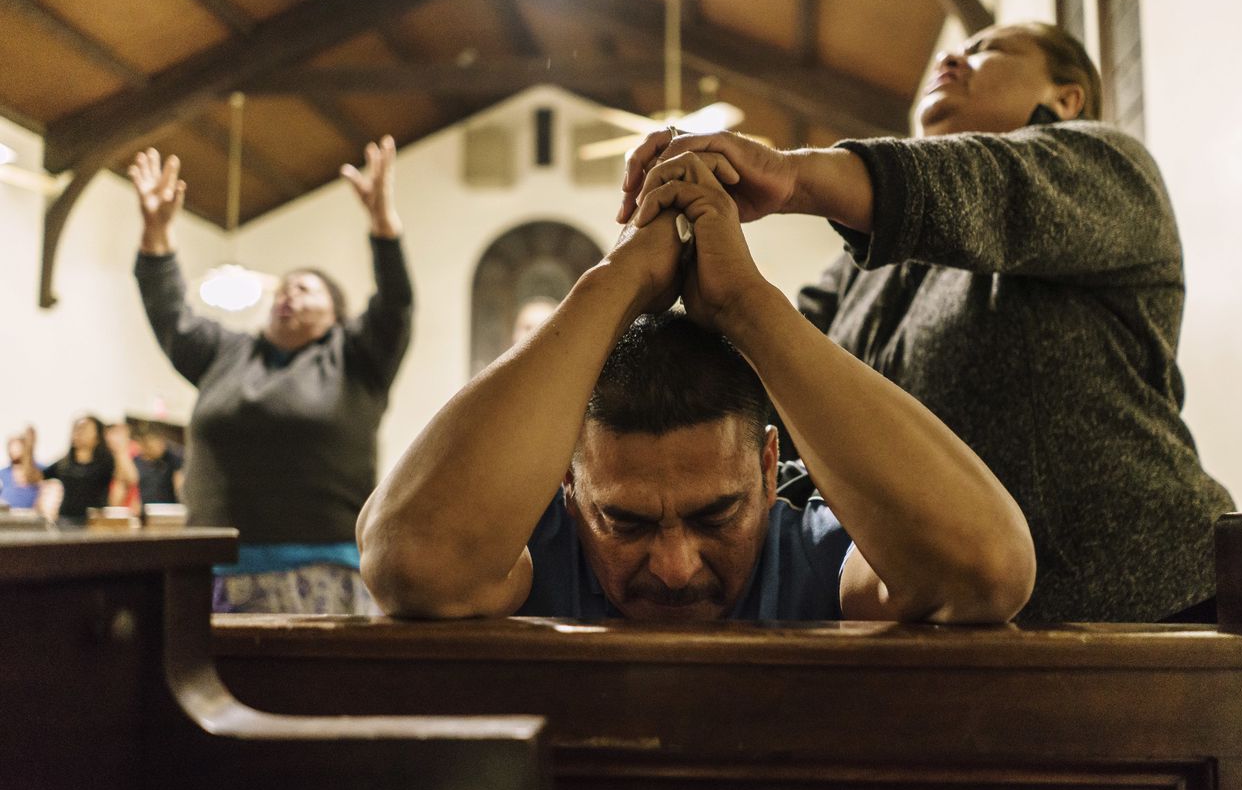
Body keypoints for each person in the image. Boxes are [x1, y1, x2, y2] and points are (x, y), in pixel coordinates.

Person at [617, 21, 1234, 623]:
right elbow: (775, 388)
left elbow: (990, 186)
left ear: (1065, 97)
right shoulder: (860, 273)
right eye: (953, 49)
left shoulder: (1109, 168)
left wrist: (791, 175)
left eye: (986, 49)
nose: (951, 59)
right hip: (947, 622)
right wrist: (669, 255)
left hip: (1153, 614)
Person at [357, 151, 1035, 623]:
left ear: (772, 468)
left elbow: (988, 573)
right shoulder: (527, 553)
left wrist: (748, 304)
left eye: (717, 516)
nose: (675, 568)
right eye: (624, 522)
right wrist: (615, 281)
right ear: (567, 482)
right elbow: (406, 561)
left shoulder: (816, 556)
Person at [128, 136, 413, 614]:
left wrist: (383, 225)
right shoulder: (228, 352)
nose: (288, 294)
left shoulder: (356, 358)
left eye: (304, 288)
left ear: (336, 314)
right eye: (282, 288)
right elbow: (171, 315)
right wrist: (156, 234)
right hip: (211, 571)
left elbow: (395, 304)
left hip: (322, 574)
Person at [40, 415, 138, 526]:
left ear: (97, 436)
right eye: (77, 428)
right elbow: (36, 477)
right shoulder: (65, 463)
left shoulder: (105, 462)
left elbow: (130, 479)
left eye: (84, 428)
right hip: (65, 520)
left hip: (95, 523)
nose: (78, 432)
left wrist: (121, 449)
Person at [131, 427, 184, 507]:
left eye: (161, 443)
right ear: (145, 445)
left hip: (167, 510)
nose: (160, 447)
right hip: (144, 510)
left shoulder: (171, 460)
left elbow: (180, 486)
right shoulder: (135, 462)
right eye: (155, 444)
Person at [1, 427, 44, 510]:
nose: (13, 450)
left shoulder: (37, 470)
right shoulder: (3, 473)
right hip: (6, 516)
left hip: (31, 516)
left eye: (17, 447)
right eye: (11, 447)